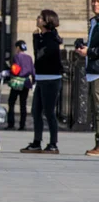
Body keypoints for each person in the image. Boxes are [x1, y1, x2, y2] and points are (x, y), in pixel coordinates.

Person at [21, 10, 63, 154]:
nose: (37, 19)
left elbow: (40, 55)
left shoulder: (51, 37)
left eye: (40, 17)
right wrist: (35, 38)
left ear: (46, 21)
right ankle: (36, 142)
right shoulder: (41, 36)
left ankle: (53, 144)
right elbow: (37, 55)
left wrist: (36, 39)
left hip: (51, 79)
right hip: (40, 78)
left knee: (49, 112)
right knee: (35, 111)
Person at [75, 0, 99, 156]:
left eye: (98, 1)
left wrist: (89, 51)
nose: (95, 4)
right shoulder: (94, 22)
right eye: (93, 1)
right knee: (94, 110)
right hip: (92, 70)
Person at [5, 40, 35, 131]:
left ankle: (11, 123)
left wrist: (8, 72)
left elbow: (16, 70)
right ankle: (22, 125)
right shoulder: (29, 57)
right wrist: (34, 81)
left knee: (11, 102)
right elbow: (33, 71)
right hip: (26, 82)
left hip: (17, 82)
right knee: (23, 104)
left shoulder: (16, 57)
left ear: (18, 47)